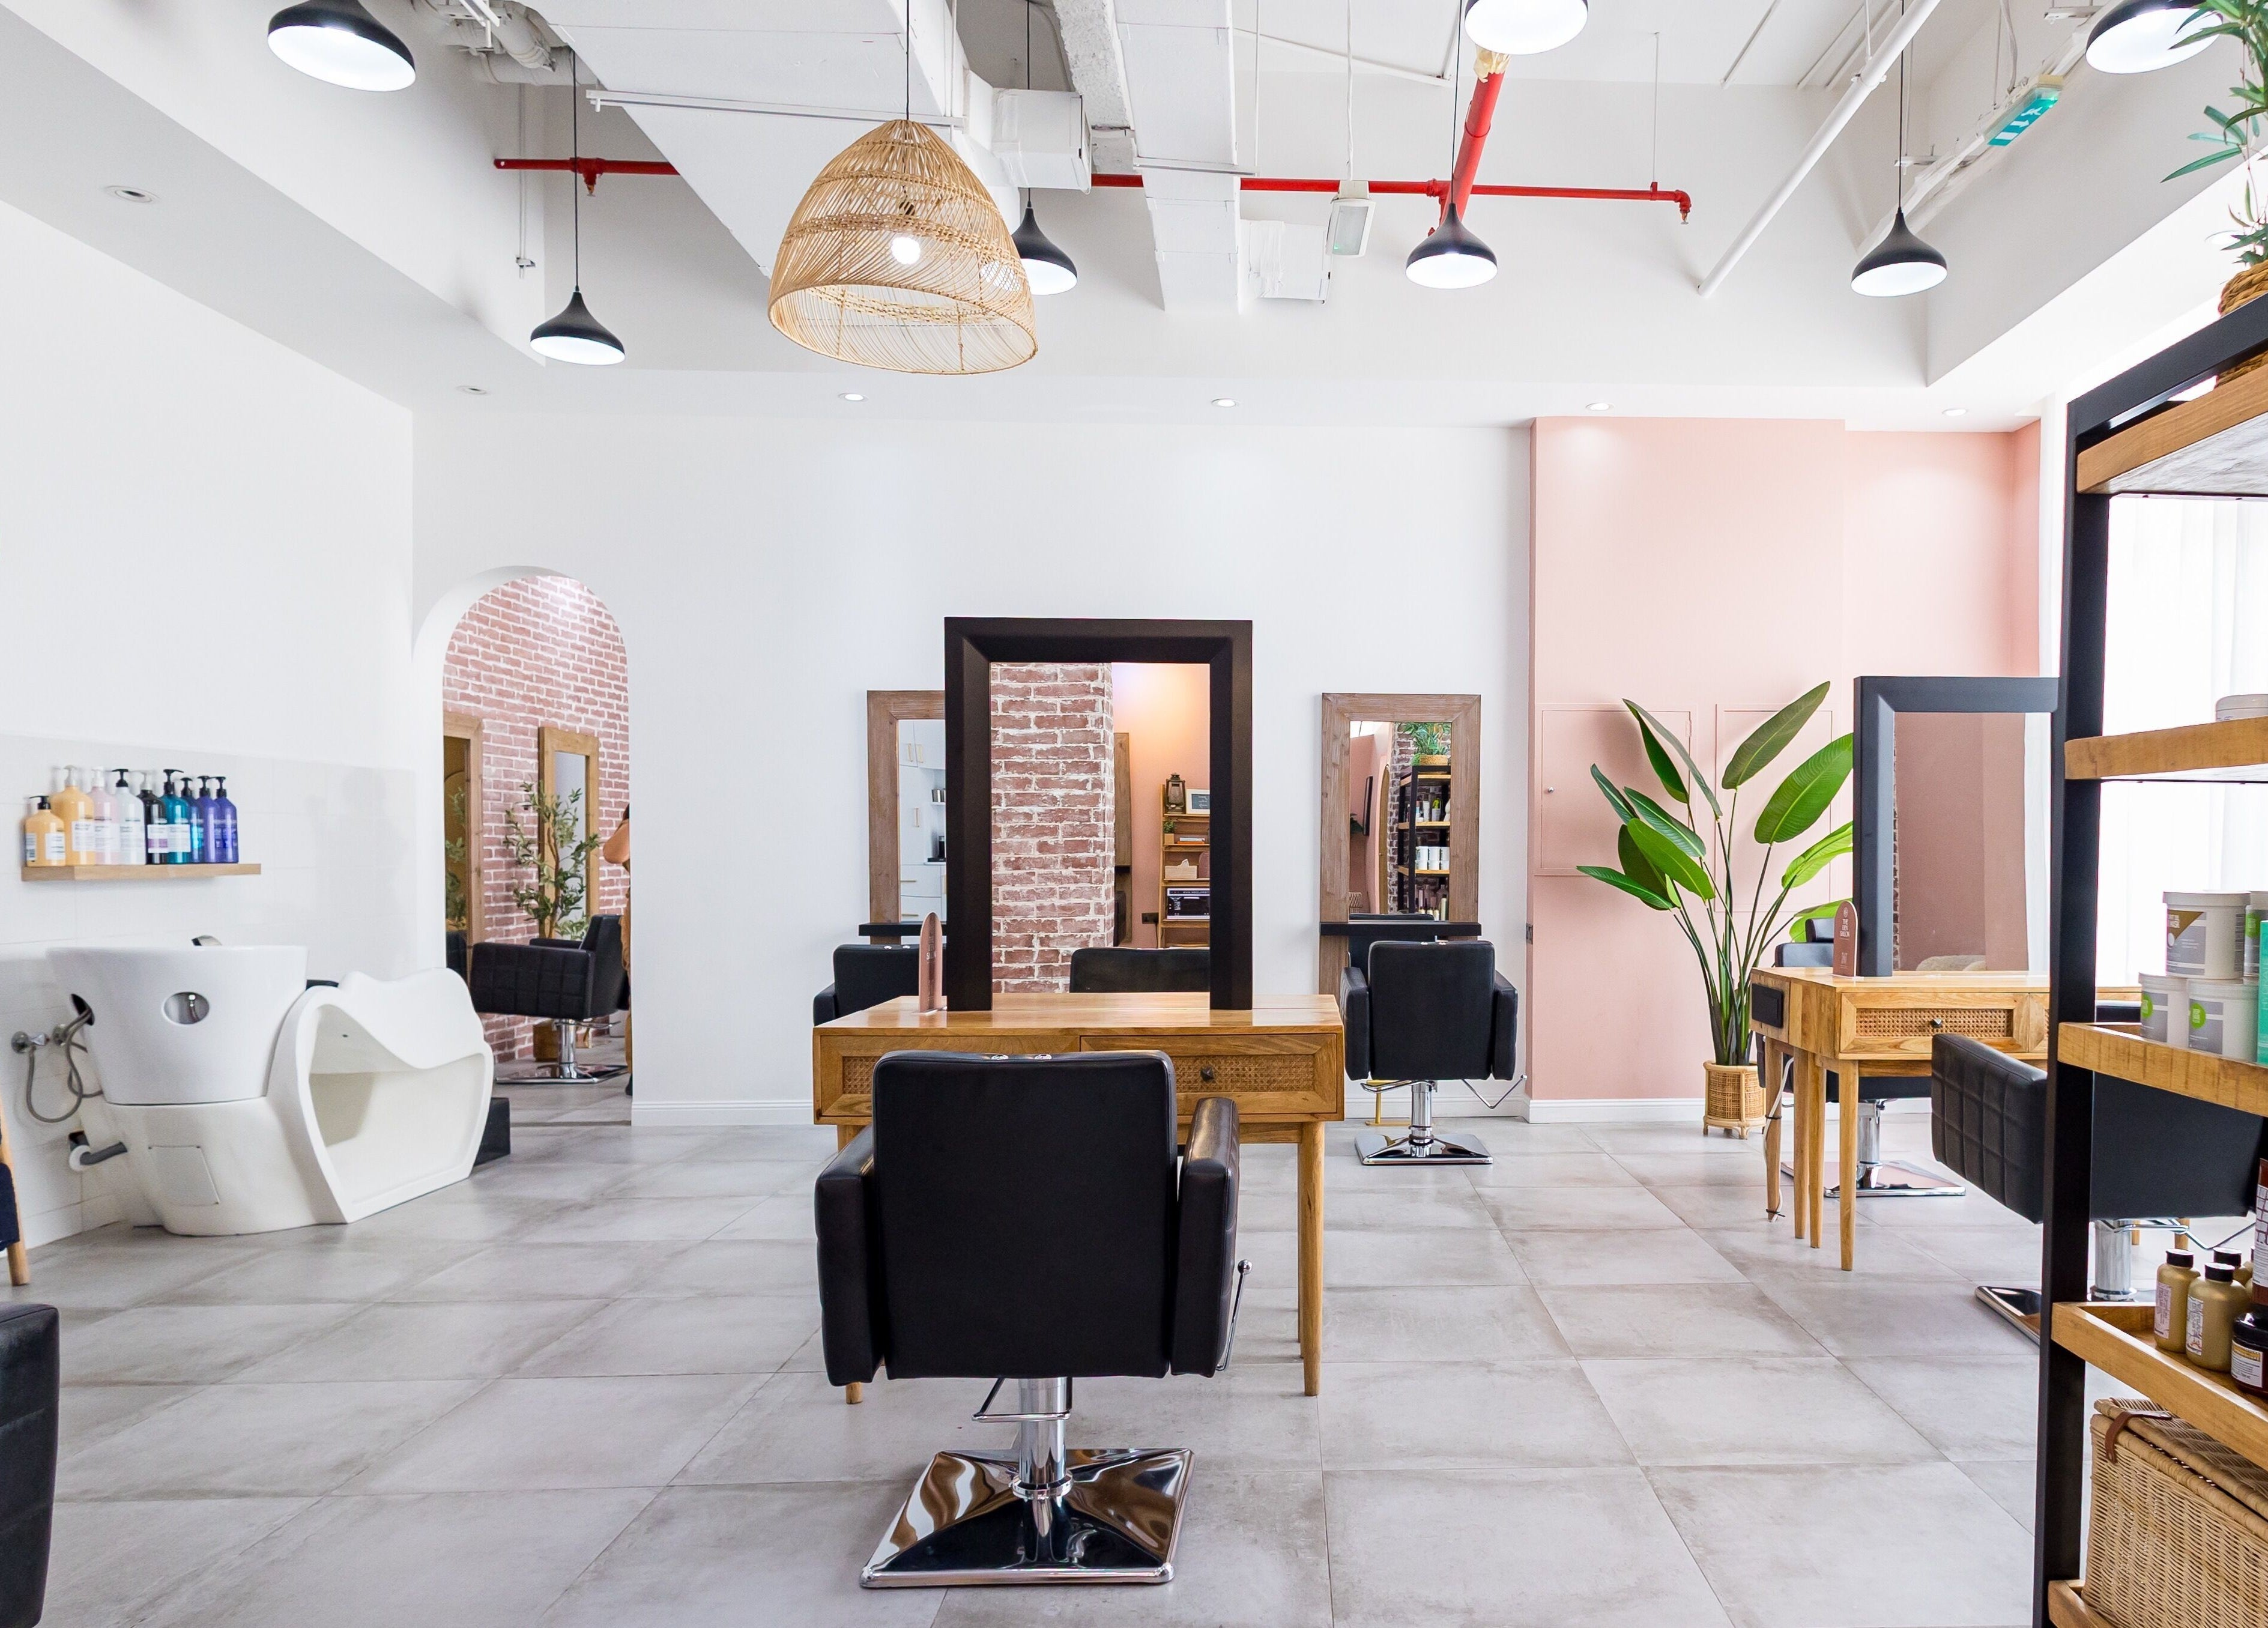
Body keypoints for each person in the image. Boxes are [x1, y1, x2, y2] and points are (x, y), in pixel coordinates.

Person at [602, 806, 631, 1088]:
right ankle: (641, 1073)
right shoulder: (636, 823)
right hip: (645, 912)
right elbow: (614, 854)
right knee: (646, 993)